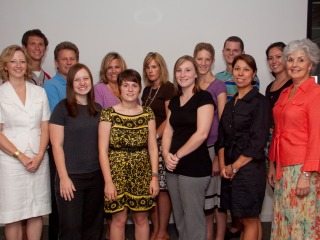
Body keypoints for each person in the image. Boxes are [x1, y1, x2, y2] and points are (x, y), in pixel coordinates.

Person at [268, 39, 320, 239]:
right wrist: (272, 164)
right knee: (285, 217)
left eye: (300, 60)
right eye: (290, 59)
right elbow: (277, 131)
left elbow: (317, 136)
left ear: (310, 64)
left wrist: (306, 175)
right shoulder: (285, 92)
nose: (294, 64)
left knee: (301, 219)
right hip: (282, 167)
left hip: (302, 168)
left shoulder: (315, 93)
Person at [99, 69, 159, 240]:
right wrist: (108, 182)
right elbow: (102, 150)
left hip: (142, 173)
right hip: (116, 174)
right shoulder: (108, 113)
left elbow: (153, 148)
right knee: (119, 220)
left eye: (134, 85)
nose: (130, 89)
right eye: (126, 85)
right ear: (119, 88)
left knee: (141, 219)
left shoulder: (148, 113)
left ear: (139, 88)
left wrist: (154, 177)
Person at [216, 54, 271, 240]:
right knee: (242, 218)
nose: (240, 73)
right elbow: (222, 139)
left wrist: (234, 166)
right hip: (230, 170)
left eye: (246, 69)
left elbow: (257, 142)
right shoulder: (231, 104)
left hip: (249, 170)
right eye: (237, 68)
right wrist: (224, 166)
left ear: (254, 74)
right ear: (231, 73)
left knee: (249, 219)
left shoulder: (260, 102)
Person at [0, 45, 51, 240]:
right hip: (11, 161)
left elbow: (45, 126)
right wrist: (20, 157)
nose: (18, 65)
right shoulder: (1, 93)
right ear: (5, 66)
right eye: (13, 61)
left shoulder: (39, 92)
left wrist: (39, 156)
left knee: (36, 210)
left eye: (22, 61)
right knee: (13, 214)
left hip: (38, 158)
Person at [49, 63, 104, 240]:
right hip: (71, 179)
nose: (82, 83)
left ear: (91, 81)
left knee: (93, 229)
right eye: (77, 79)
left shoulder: (98, 110)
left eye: (86, 78)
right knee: (70, 230)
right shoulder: (61, 109)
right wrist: (63, 178)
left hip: (96, 178)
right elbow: (56, 145)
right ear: (71, 84)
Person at [162, 55, 214, 240]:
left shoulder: (204, 97)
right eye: (179, 70)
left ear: (195, 73)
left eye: (187, 70)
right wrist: (166, 154)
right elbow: (168, 130)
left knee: (194, 219)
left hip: (195, 166)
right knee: (180, 218)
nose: (182, 74)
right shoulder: (175, 100)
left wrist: (176, 155)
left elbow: (201, 134)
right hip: (173, 166)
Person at [43, 41, 79, 240]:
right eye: (64, 59)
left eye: (72, 59)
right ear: (56, 63)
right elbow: (61, 119)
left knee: (75, 201)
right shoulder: (50, 87)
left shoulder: (80, 83)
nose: (68, 62)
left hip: (79, 152)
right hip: (60, 150)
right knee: (60, 201)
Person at [193, 43, 227, 240]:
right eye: (200, 59)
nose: (203, 63)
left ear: (213, 61)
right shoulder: (192, 83)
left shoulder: (218, 86)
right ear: (194, 59)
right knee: (204, 203)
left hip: (214, 149)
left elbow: (223, 122)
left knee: (218, 203)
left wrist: (218, 158)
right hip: (196, 150)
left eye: (207, 59)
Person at [141, 52, 174, 240]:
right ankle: (155, 230)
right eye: (148, 66)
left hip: (162, 143)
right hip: (147, 144)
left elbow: (170, 117)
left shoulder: (168, 88)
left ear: (161, 67)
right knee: (150, 189)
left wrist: (155, 136)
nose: (151, 70)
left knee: (162, 189)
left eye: (154, 66)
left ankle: (162, 231)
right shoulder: (146, 90)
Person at [264, 42, 292, 176]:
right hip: (271, 145)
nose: (274, 61)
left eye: (278, 56)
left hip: (288, 146)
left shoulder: (293, 85)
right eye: (270, 58)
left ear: (287, 58)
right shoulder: (270, 87)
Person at [216, 36, 259, 101]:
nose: (231, 53)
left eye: (235, 50)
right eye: (228, 50)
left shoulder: (251, 78)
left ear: (243, 53)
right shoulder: (217, 78)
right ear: (223, 52)